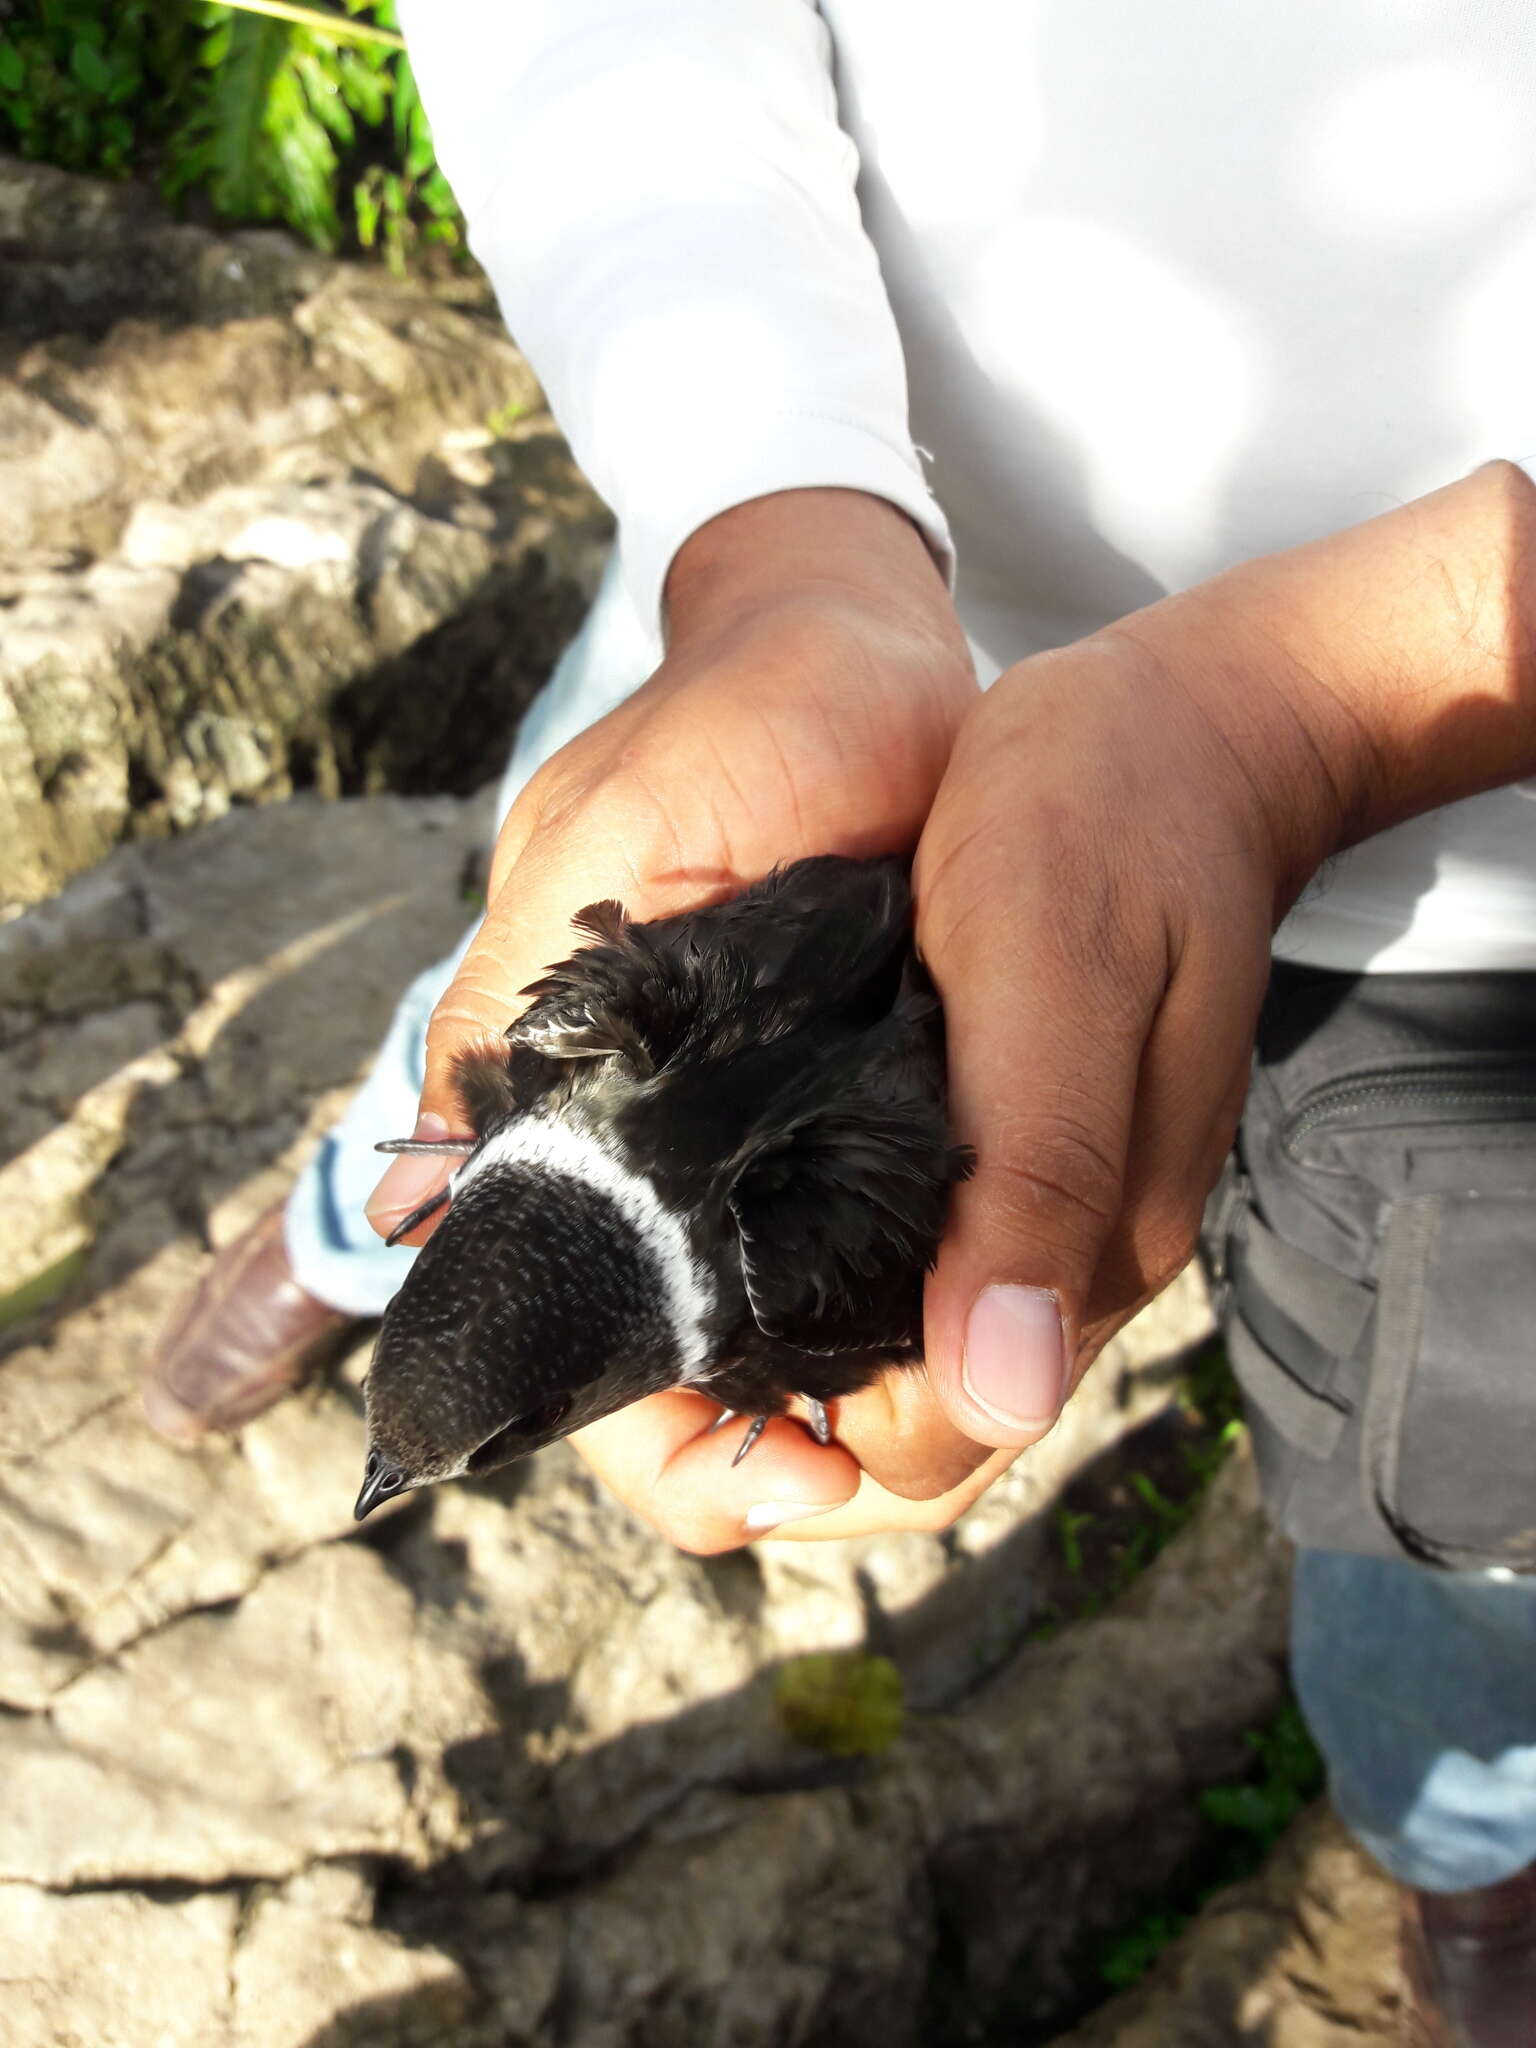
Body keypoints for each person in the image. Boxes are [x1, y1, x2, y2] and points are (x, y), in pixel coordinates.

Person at [144, 6, 1536, 2038]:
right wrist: (773, 523)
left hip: (1479, 876)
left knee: (1458, 1476)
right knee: (489, 1024)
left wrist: (1319, 698)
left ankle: (1465, 1842)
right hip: (816, 592)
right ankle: (368, 1219)